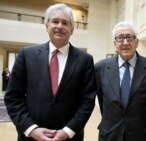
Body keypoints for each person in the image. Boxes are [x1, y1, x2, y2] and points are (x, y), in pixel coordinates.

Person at [4, 3, 96, 141]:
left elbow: (87, 100)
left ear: (72, 29)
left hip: (69, 137)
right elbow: (13, 97)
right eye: (55, 21)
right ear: (46, 26)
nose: (59, 26)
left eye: (65, 23)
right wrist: (31, 129)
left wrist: (68, 131)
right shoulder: (26, 55)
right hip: (31, 137)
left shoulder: (85, 60)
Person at [95, 21, 146, 141]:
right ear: (115, 43)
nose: (125, 43)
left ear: (137, 42)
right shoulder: (100, 68)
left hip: (143, 135)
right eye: (120, 38)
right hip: (110, 134)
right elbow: (102, 100)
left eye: (129, 38)